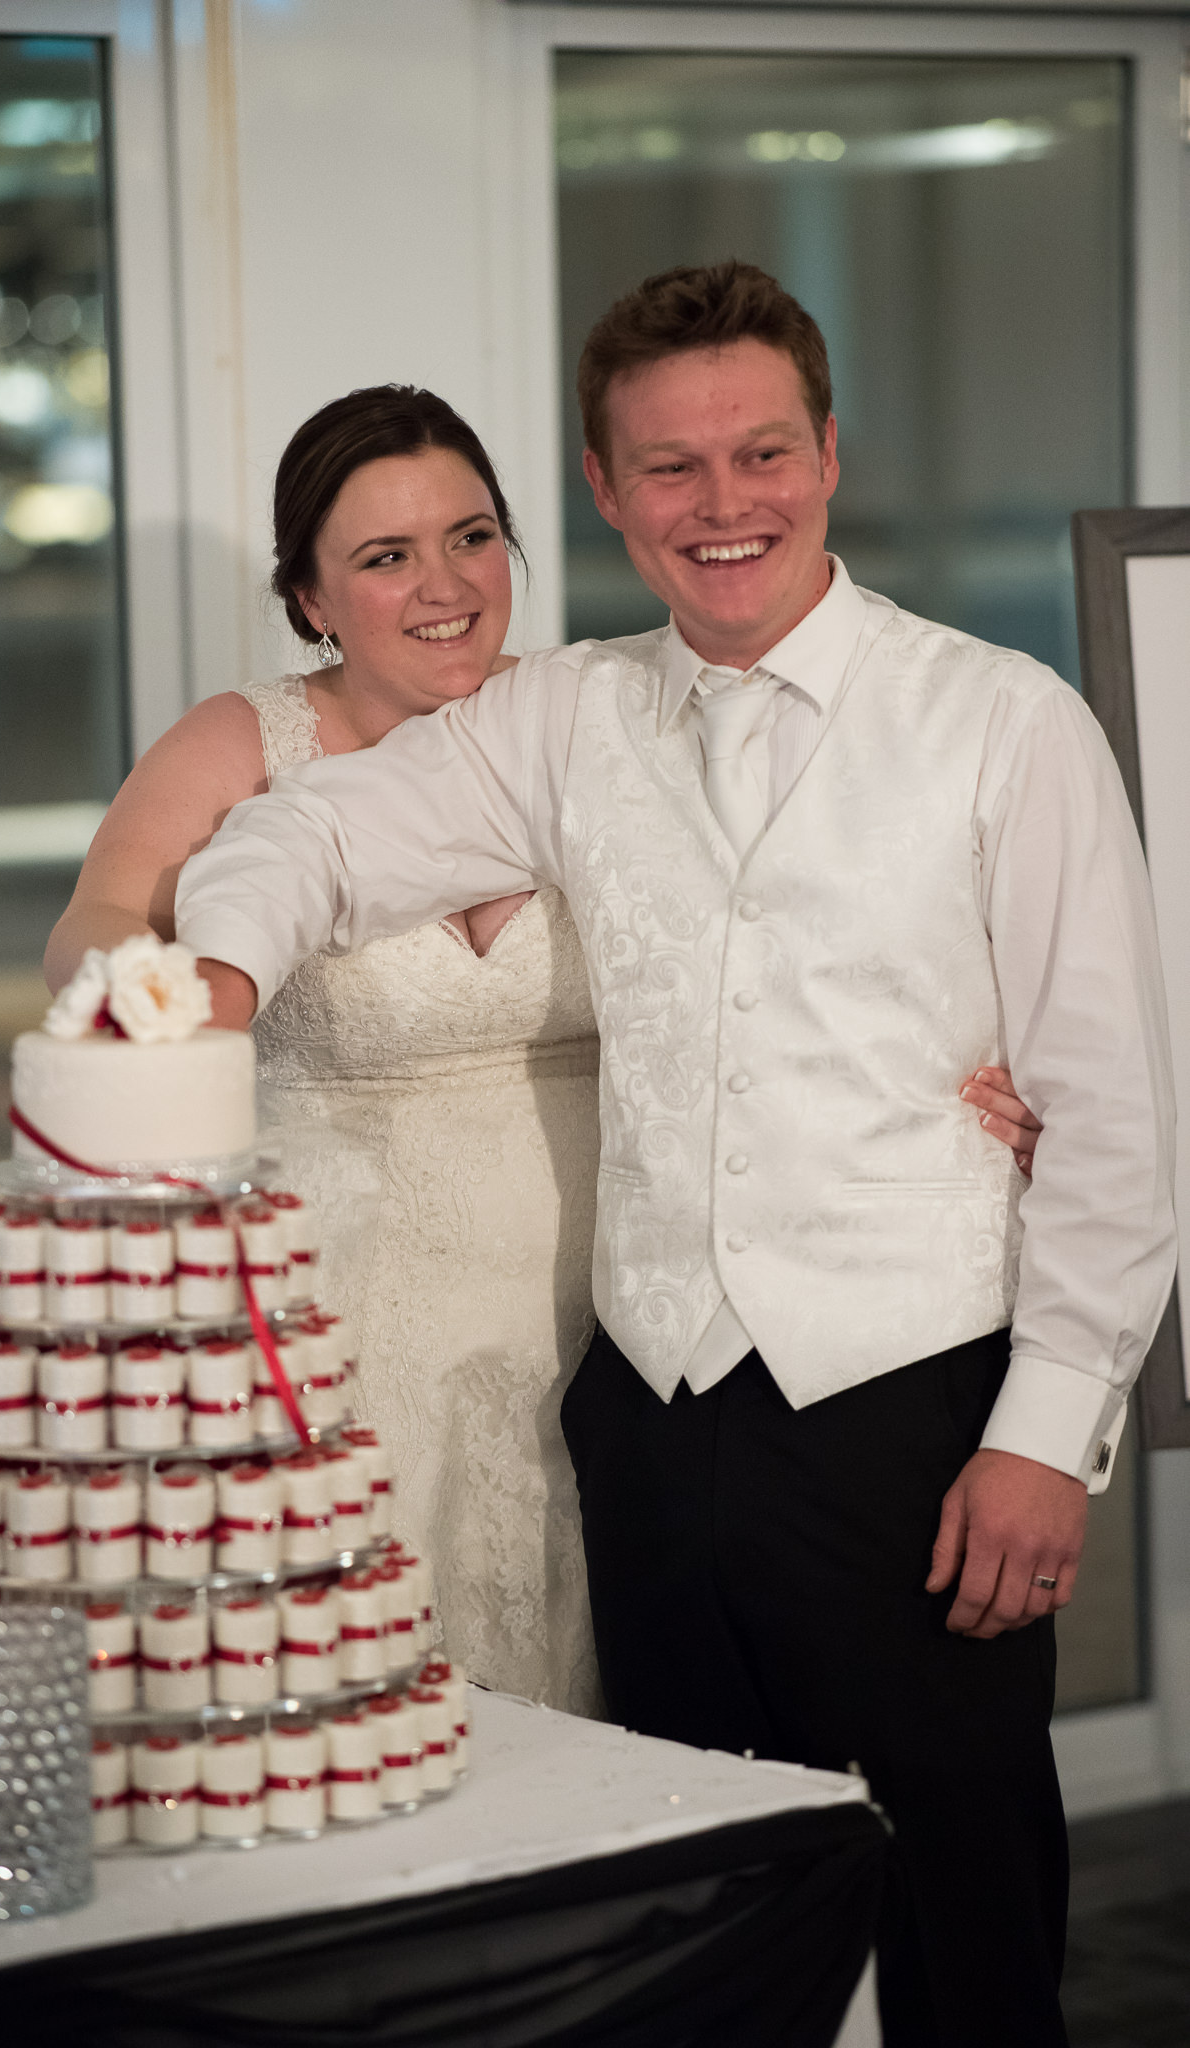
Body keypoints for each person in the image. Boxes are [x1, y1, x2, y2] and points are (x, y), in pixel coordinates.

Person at [171, 264, 1175, 2048]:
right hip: (641, 1410)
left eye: (758, 454)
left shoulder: (1001, 721)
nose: (724, 506)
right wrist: (223, 966)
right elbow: (313, 830)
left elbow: (1108, 1108)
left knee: (957, 1898)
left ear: (827, 454)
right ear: (605, 487)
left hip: (912, 1404)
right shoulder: (563, 715)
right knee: (710, 1914)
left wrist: (1047, 1431)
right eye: (671, 470)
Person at [48, 384, 1038, 1727]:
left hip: (620, 1325)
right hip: (350, 1314)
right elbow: (102, 920)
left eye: (470, 538)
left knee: (628, 1721)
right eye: (385, 558)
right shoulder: (245, 743)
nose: (444, 587)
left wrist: (966, 1077)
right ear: (309, 598)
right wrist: (153, 1000)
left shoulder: (602, 714)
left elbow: (800, 941)